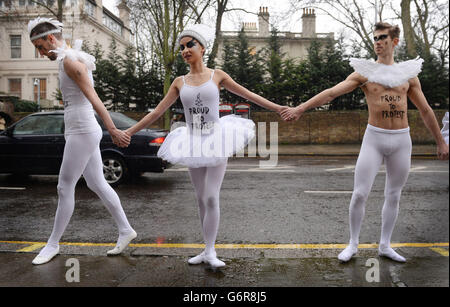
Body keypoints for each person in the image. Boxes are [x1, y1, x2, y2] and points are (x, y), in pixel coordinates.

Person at [281, 22, 449, 263]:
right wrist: (300, 108)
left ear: (394, 41)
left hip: (402, 140)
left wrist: (441, 142)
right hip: (374, 138)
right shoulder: (365, 72)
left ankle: (385, 245)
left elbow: (424, 109)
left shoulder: (409, 76)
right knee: (360, 193)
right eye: (375, 38)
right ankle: (352, 244)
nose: (378, 42)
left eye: (382, 38)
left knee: (394, 194)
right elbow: (331, 93)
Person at [125, 24, 286, 268]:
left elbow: (249, 95)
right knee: (201, 198)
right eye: (181, 47)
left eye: (190, 45)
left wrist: (278, 108)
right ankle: (205, 249)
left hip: (216, 138)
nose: (185, 50)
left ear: (202, 48)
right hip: (192, 141)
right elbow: (158, 111)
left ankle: (211, 251)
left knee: (211, 197)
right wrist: (129, 131)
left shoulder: (217, 75)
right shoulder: (179, 82)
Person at [28, 17, 137, 265]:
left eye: (41, 47)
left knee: (64, 187)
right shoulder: (67, 59)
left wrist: (112, 128)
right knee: (97, 183)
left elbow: (94, 98)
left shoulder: (70, 61)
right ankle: (125, 230)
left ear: (51, 38)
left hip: (82, 131)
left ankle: (52, 244)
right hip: (78, 129)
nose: (41, 52)